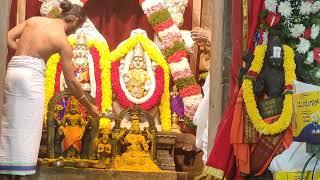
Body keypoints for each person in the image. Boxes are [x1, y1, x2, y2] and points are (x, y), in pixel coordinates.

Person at [0, 0, 99, 179]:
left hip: (13, 71)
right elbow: (71, 81)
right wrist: (89, 106)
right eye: (76, 29)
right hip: (32, 78)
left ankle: (5, 171)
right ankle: (21, 175)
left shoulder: (34, 20)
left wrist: (23, 55)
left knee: (10, 122)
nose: (74, 33)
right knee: (29, 126)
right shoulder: (62, 41)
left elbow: (7, 37)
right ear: (75, 21)